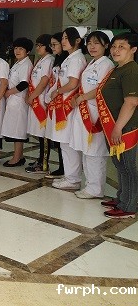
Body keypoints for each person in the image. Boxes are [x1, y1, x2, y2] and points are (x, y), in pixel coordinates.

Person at [65, 31, 115, 198]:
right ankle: (89, 186)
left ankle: (95, 189)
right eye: (90, 43)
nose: (92, 46)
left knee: (95, 152)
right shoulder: (92, 62)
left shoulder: (106, 64)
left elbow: (101, 89)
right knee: (87, 150)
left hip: (95, 112)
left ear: (106, 45)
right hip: (85, 109)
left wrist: (82, 98)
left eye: (97, 43)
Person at [97, 32, 138, 218]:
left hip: (125, 127)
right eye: (114, 46)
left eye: (122, 47)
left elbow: (132, 102)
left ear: (133, 49)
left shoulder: (131, 70)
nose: (116, 50)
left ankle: (129, 206)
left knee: (128, 167)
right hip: (114, 126)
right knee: (120, 164)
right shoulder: (117, 69)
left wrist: (118, 127)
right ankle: (122, 197)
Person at [49, 27, 88, 191]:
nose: (63, 41)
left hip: (68, 106)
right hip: (63, 104)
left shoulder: (76, 59)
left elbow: (73, 83)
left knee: (68, 143)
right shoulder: (70, 58)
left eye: (66, 38)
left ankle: (73, 179)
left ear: (77, 41)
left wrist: (57, 91)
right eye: (63, 38)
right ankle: (70, 176)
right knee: (64, 143)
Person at [1, 38, 34, 167]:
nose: (17, 51)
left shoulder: (26, 64)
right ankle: (19, 156)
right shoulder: (18, 63)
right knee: (14, 130)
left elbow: (24, 83)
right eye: (16, 48)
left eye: (21, 49)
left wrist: (9, 92)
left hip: (19, 101)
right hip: (13, 101)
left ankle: (17, 158)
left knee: (18, 131)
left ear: (28, 51)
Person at [24, 34, 54, 174]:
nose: (38, 48)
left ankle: (44, 164)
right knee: (39, 134)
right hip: (36, 99)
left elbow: (44, 81)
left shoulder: (49, 60)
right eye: (37, 45)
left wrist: (32, 96)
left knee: (43, 135)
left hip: (41, 101)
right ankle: (40, 159)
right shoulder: (41, 60)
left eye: (40, 45)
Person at [42, 33, 68, 179]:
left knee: (62, 138)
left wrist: (51, 94)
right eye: (51, 45)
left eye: (55, 44)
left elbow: (62, 82)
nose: (52, 47)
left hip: (61, 102)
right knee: (56, 138)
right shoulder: (57, 59)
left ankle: (64, 168)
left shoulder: (67, 60)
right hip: (54, 101)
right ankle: (62, 167)